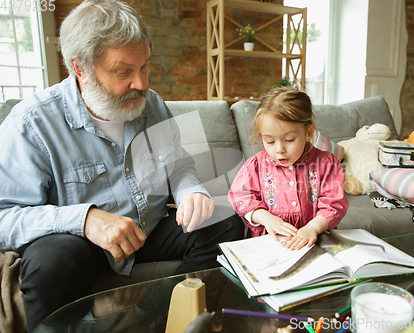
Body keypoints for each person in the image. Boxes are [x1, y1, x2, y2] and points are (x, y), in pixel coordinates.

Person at [0, 0, 243, 331]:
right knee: (51, 262)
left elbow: (180, 166)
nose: (141, 84)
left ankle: (169, 317)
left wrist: (191, 191)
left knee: (225, 219)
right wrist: (85, 219)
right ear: (80, 68)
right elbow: (4, 217)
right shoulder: (32, 123)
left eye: (144, 67)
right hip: (83, 246)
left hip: (149, 228)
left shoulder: (152, 104)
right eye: (123, 71)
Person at [228, 87, 349, 250]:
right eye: (270, 141)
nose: (279, 149)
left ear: (308, 133)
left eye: (289, 139)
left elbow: (334, 204)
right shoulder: (256, 165)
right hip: (269, 245)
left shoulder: (326, 163)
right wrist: (267, 218)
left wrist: (312, 228)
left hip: (315, 242)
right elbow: (241, 198)